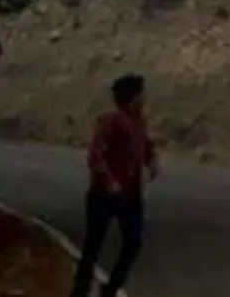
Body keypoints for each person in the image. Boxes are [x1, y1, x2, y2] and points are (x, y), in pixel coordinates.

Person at [69, 73, 159, 297]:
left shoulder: (140, 122)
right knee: (93, 245)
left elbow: (145, 146)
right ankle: (79, 291)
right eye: (140, 95)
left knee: (134, 241)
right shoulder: (111, 122)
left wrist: (152, 161)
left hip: (130, 194)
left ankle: (110, 288)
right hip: (104, 194)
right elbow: (95, 156)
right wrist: (110, 182)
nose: (144, 100)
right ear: (131, 98)